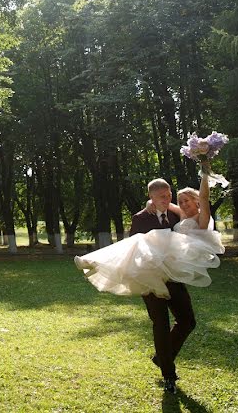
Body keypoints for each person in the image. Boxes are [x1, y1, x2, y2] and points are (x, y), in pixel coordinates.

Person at [73, 164, 223, 394]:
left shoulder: (177, 214)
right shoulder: (140, 218)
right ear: (151, 198)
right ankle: (169, 374)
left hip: (173, 278)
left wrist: (203, 171)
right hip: (149, 280)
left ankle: (162, 358)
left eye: (168, 195)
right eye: (161, 197)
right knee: (160, 324)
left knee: (188, 321)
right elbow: (133, 253)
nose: (167, 199)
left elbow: (198, 202)